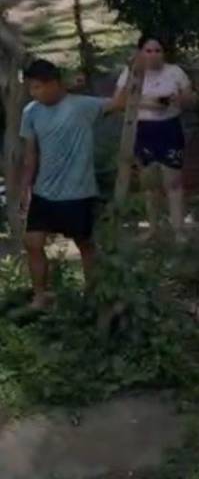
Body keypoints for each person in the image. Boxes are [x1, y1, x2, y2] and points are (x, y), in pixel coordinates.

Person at [19, 58, 131, 310]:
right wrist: (26, 188)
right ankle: (40, 295)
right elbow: (30, 154)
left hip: (78, 191)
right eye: (30, 87)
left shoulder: (82, 106)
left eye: (37, 87)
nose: (33, 92)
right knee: (33, 243)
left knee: (85, 244)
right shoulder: (31, 112)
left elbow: (119, 103)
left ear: (54, 83)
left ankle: (93, 294)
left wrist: (130, 72)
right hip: (44, 191)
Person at [115, 34, 196, 242]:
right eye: (148, 51)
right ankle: (152, 228)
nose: (152, 55)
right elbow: (119, 101)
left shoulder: (174, 72)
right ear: (140, 52)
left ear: (164, 53)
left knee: (173, 181)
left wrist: (177, 99)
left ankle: (178, 230)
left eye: (157, 50)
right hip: (142, 129)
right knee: (149, 182)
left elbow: (190, 98)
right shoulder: (131, 73)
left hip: (169, 127)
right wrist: (149, 102)